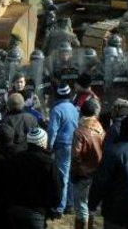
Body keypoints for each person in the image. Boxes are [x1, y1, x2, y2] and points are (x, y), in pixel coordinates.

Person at [7, 127, 62, 228]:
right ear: (43, 143)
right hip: (37, 212)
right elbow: (56, 189)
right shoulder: (48, 163)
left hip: (15, 210)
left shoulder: (16, 159)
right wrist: (52, 207)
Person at [71, 99, 105, 229]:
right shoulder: (100, 128)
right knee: (91, 207)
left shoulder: (80, 131)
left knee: (81, 208)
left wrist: (77, 171)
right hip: (96, 173)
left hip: (82, 175)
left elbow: (75, 156)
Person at [47, 84, 79, 216]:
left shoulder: (57, 109)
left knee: (62, 177)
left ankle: (60, 207)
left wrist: (49, 146)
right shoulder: (73, 108)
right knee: (70, 175)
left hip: (62, 146)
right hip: (74, 143)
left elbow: (52, 130)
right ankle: (70, 204)